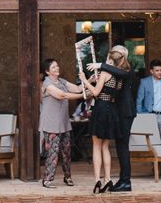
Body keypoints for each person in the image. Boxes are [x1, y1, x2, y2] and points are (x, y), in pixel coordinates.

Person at [79, 48, 127, 194]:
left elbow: (95, 93)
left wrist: (84, 80)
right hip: (112, 109)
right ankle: (107, 179)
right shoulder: (119, 76)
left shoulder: (106, 73)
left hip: (101, 109)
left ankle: (97, 180)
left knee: (96, 146)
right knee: (105, 147)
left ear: (110, 60)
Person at [92, 45, 136, 192]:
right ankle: (122, 180)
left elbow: (118, 72)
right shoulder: (117, 72)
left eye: (113, 55)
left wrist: (101, 65)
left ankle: (125, 181)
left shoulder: (127, 71)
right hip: (119, 112)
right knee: (120, 146)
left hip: (125, 113)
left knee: (123, 147)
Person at [39, 58, 86, 188]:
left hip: (63, 123)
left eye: (57, 66)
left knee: (67, 152)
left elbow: (77, 88)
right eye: (53, 67)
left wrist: (90, 81)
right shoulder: (47, 84)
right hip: (51, 123)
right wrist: (84, 95)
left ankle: (68, 177)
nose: (57, 68)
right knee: (53, 152)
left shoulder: (62, 81)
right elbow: (62, 95)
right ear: (47, 71)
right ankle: (47, 179)